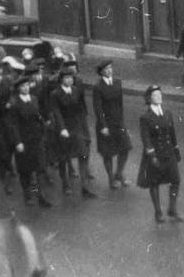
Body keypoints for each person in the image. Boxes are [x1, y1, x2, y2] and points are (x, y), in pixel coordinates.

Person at [49, 65, 96, 199]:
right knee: (64, 158)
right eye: (66, 78)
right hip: (63, 129)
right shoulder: (55, 94)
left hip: (76, 128)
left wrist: (83, 128)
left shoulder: (76, 90)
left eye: (71, 78)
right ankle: (65, 184)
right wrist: (62, 128)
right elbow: (56, 112)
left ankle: (85, 187)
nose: (69, 80)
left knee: (83, 154)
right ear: (61, 79)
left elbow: (80, 109)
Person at [137, 85, 182, 223]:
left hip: (169, 153)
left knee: (175, 180)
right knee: (154, 183)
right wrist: (152, 156)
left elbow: (172, 133)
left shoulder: (167, 113)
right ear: (149, 99)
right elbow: (146, 138)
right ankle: (158, 212)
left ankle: (172, 209)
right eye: (155, 95)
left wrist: (176, 149)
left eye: (160, 94)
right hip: (155, 154)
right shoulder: (145, 117)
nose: (159, 97)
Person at [9, 75, 53, 208]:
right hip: (23, 140)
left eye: (27, 85)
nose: (25, 88)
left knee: (39, 168)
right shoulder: (15, 104)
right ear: (18, 89)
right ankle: (27, 195)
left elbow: (38, 116)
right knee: (25, 171)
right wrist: (18, 142)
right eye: (22, 86)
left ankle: (40, 196)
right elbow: (13, 125)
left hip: (36, 139)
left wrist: (43, 129)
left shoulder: (34, 99)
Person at [93, 60, 133, 189]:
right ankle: (111, 179)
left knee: (126, 147)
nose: (109, 70)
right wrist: (103, 125)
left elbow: (120, 104)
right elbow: (98, 108)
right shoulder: (98, 87)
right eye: (106, 69)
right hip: (105, 124)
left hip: (118, 122)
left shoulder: (117, 83)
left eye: (110, 68)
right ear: (101, 72)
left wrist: (122, 122)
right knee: (108, 153)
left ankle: (119, 174)